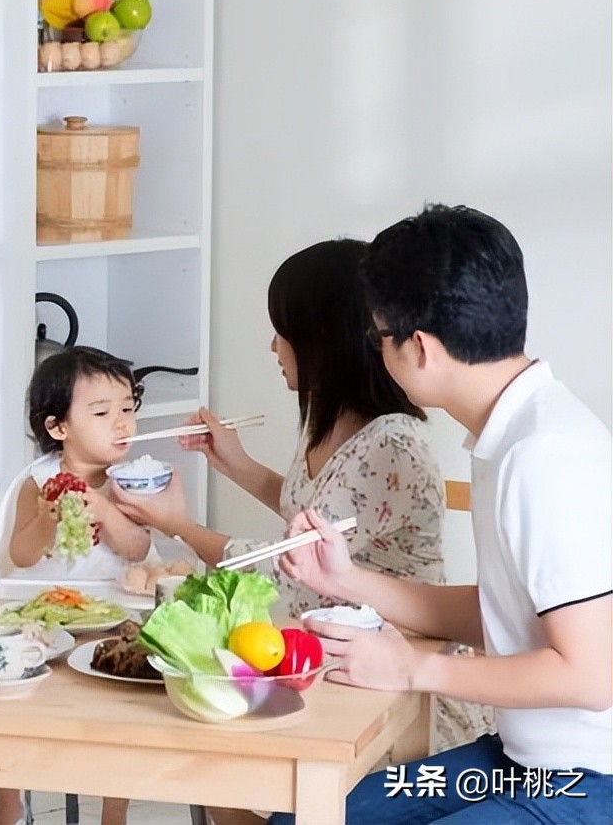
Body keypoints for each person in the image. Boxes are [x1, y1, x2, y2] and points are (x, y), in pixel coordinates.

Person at [276, 205, 612, 823]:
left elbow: (592, 675)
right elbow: (500, 612)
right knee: (307, 813)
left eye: (380, 337)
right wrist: (344, 579)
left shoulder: (543, 456)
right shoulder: (512, 431)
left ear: (420, 348)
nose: (376, 352)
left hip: (579, 785)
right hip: (515, 762)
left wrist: (412, 668)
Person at [113, 239, 491, 773]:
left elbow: (286, 565)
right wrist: (236, 464)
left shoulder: (391, 444)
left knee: (216, 756)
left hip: (395, 680)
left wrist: (177, 525)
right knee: (204, 743)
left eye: (283, 332)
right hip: (328, 654)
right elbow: (309, 514)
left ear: (321, 340)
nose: (273, 346)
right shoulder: (329, 423)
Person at [0, 346, 160, 825]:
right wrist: (45, 520)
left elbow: (137, 549)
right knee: (4, 685)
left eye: (128, 409)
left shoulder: (135, 480)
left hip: (115, 610)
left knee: (122, 701)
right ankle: (8, 799)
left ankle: (114, 808)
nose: (122, 423)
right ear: (58, 428)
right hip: (41, 609)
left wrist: (105, 507)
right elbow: (21, 555)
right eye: (102, 413)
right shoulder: (39, 481)